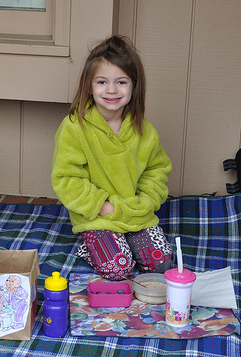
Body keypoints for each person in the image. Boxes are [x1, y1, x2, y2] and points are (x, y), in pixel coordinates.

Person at [51, 35, 173, 281]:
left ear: (134, 86)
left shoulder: (144, 130)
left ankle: (131, 239)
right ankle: (90, 245)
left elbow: (157, 170)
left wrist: (145, 202)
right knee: (118, 268)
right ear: (89, 86)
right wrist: (102, 207)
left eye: (121, 82)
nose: (111, 90)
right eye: (102, 81)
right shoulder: (75, 127)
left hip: (136, 213)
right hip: (98, 216)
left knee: (161, 262)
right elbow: (67, 178)